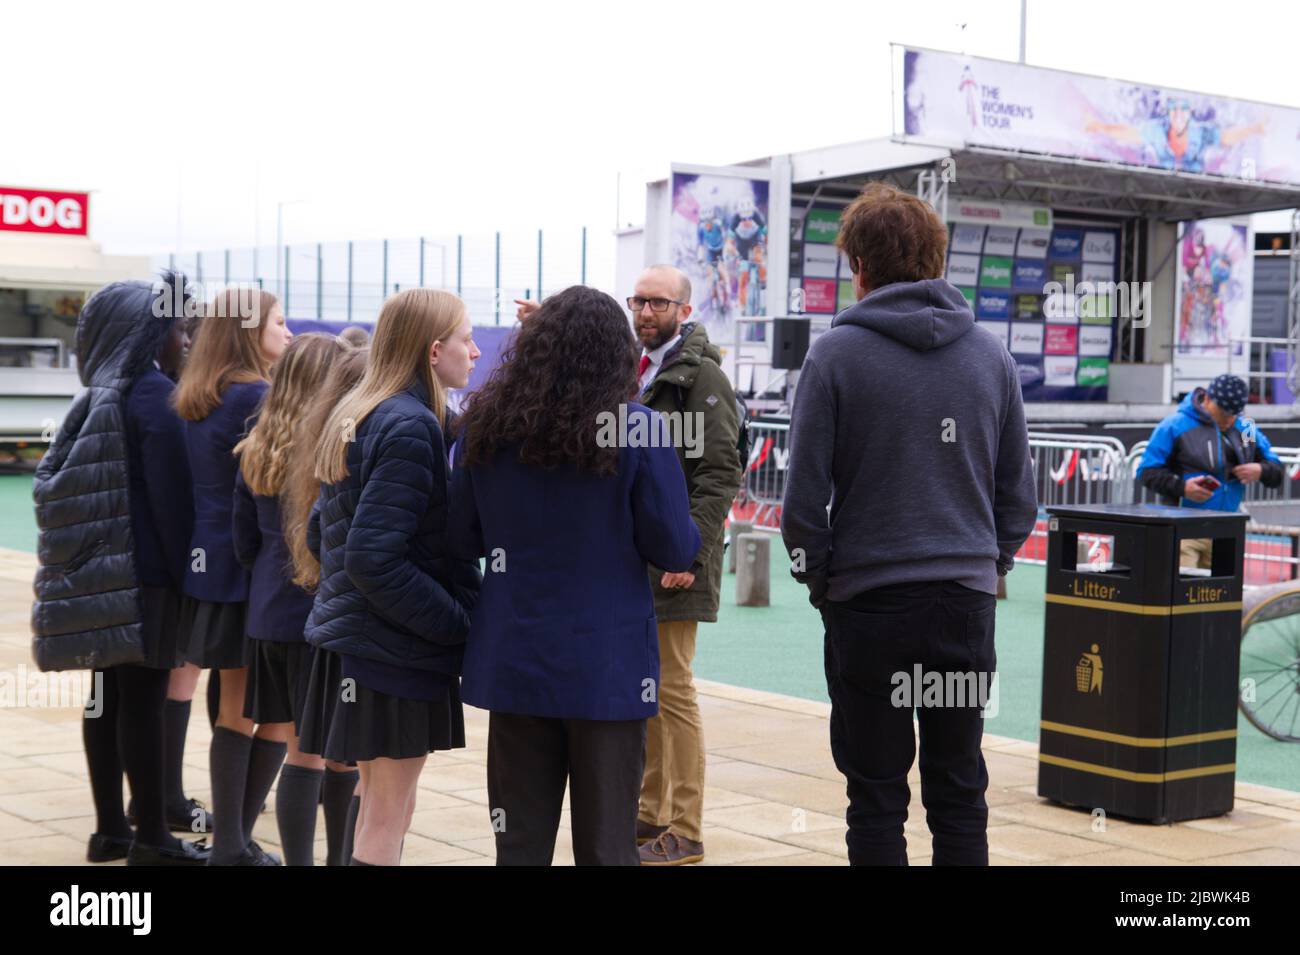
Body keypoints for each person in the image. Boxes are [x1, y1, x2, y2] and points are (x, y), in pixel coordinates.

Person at [780, 182, 1037, 866]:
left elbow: (802, 505)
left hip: (869, 604)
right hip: (963, 602)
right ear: (938, 258)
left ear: (857, 266)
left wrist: (826, 585)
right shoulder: (991, 356)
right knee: (958, 793)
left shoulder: (835, 356)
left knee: (875, 796)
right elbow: (1019, 500)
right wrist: (989, 564)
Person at [449, 285, 701, 866]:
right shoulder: (637, 429)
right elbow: (673, 547)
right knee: (610, 847)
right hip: (607, 670)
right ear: (616, 353)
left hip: (516, 662)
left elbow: (460, 539)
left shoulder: (486, 427)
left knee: (517, 845)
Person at [32, 272, 209, 865]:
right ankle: (155, 838)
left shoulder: (96, 397)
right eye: (175, 329)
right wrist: (195, 581)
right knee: (146, 703)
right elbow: (173, 507)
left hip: (103, 581)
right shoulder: (155, 400)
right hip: (149, 581)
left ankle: (110, 830)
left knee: (104, 700)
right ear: (144, 333)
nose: (185, 339)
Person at [305, 288, 481, 866]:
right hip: (394, 652)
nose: (476, 352)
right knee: (388, 817)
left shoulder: (361, 410)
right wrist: (457, 623)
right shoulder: (408, 425)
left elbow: (319, 534)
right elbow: (372, 557)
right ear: (435, 351)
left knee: (377, 809)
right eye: (466, 339)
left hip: (362, 645)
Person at [173, 287, 293, 865]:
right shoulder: (256, 396)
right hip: (252, 569)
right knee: (261, 708)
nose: (288, 332)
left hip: (211, 567)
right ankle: (232, 844)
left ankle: (233, 840)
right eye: (278, 321)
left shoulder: (201, 395)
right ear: (249, 330)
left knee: (231, 704)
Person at [630, 265, 742, 865]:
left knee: (673, 691)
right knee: (648, 689)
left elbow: (720, 473)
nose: (645, 312)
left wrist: (690, 551)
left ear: (684, 310)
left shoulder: (702, 379)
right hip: (641, 559)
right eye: (638, 301)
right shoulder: (637, 371)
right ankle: (649, 815)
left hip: (678, 559)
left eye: (657, 303)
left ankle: (687, 828)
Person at [232, 333, 346, 865]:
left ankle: (243, 841)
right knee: (319, 752)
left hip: (265, 616)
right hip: (314, 615)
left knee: (282, 735)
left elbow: (244, 543)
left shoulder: (254, 448)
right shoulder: (328, 451)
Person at [287, 347, 369, 864]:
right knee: (353, 765)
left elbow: (313, 534)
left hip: (304, 613)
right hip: (344, 623)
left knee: (305, 749)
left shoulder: (318, 445)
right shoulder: (371, 448)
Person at [1136, 373, 1283, 569]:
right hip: (1184, 529)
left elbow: (1276, 470)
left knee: (1222, 596)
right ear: (1206, 399)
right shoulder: (1175, 425)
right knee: (1183, 594)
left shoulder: (1246, 427)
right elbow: (1146, 471)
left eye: (1234, 414)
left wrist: (1261, 470)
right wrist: (1182, 488)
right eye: (1222, 413)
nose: (1229, 420)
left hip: (1227, 530)